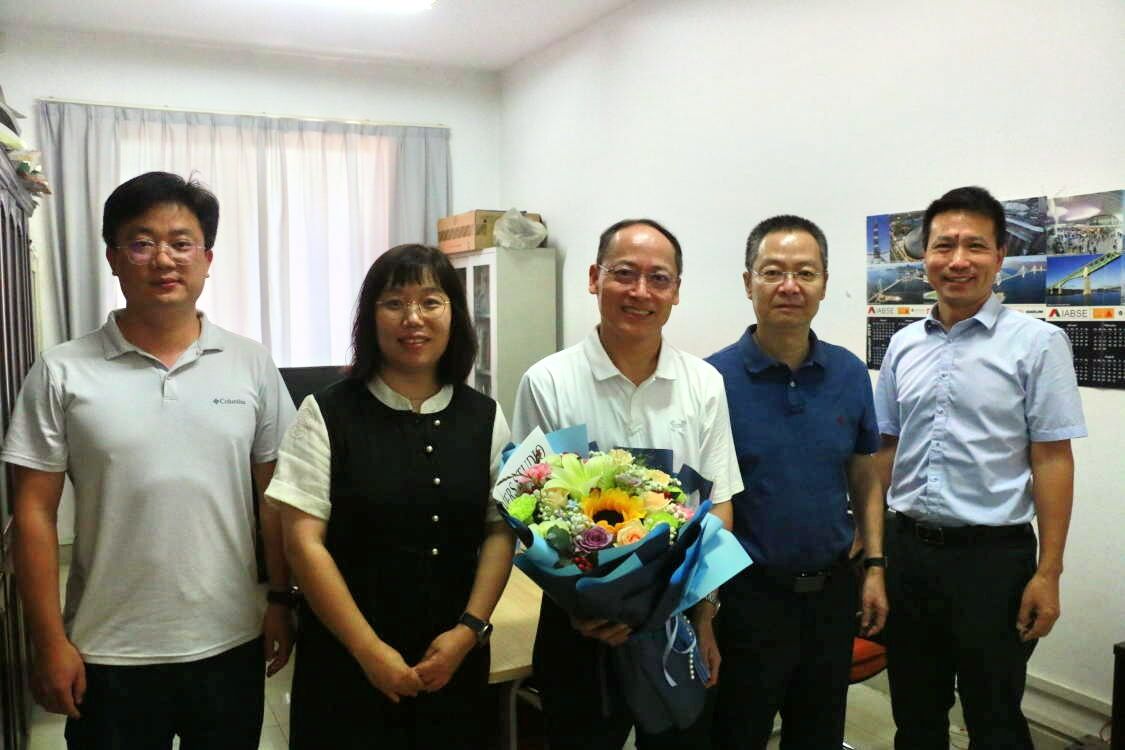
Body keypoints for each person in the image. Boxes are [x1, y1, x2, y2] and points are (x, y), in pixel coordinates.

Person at [2, 171, 295, 749]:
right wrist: (48, 640)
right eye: (141, 243)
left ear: (207, 259)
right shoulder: (61, 371)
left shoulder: (251, 363)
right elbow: (32, 514)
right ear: (113, 258)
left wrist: (283, 602)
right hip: (107, 649)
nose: (163, 259)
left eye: (181, 243)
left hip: (229, 640)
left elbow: (275, 499)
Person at [266, 244, 515, 749]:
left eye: (431, 302)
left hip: (453, 656)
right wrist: (368, 650)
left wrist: (469, 630)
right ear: (370, 318)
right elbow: (303, 543)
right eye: (394, 303)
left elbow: (499, 528)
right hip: (346, 660)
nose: (413, 318)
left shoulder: (485, 416)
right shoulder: (325, 413)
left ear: (454, 315)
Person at [511, 218, 743, 750]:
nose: (641, 291)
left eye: (658, 278)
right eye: (624, 274)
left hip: (677, 621)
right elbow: (529, 511)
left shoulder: (704, 384)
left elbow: (719, 506)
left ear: (676, 291)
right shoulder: (548, 381)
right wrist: (582, 607)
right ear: (594, 278)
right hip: (578, 624)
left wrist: (703, 611)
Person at [875, 186, 1087, 749]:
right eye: (944, 245)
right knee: (914, 714)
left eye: (975, 245)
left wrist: (1049, 572)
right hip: (908, 554)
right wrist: (872, 552)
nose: (958, 260)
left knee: (995, 719)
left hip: (993, 563)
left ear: (1000, 256)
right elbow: (886, 449)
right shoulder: (902, 345)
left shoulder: (1039, 344)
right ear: (924, 256)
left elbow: (1052, 459)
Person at [706, 215, 888, 749]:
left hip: (831, 596)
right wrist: (703, 609)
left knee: (818, 733)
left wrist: (875, 566)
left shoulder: (849, 373)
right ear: (748, 283)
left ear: (824, 284)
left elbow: (864, 473)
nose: (790, 286)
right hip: (745, 598)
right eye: (773, 272)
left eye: (805, 273)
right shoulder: (710, 381)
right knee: (736, 733)